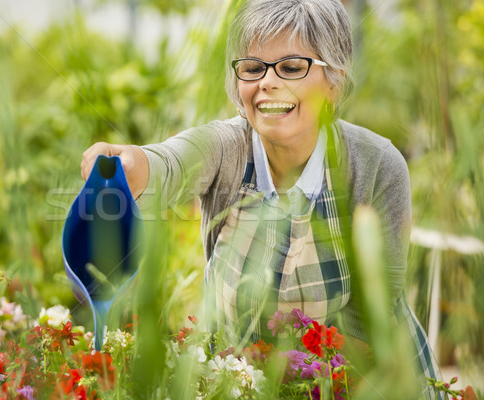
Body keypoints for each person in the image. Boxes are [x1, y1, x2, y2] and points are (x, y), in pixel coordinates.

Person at [81, 0, 443, 397]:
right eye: (253, 68)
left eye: (291, 67)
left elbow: (371, 323)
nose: (268, 82)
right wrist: (130, 163)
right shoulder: (226, 150)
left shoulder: (375, 165)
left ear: (334, 80)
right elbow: (170, 163)